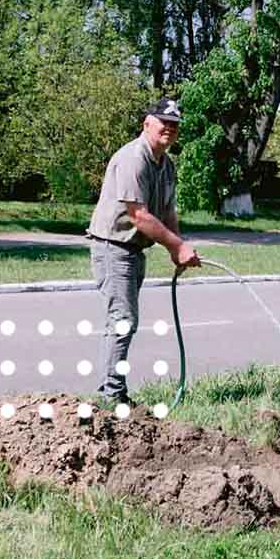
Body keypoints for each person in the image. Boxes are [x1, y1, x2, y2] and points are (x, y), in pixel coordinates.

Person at [85, 98, 201, 407]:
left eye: (174, 124)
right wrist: (176, 245)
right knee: (122, 319)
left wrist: (179, 246)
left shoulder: (166, 164)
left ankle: (113, 392)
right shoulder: (132, 159)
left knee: (125, 320)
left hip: (135, 250)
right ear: (147, 123)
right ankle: (111, 397)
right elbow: (139, 215)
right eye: (164, 121)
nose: (169, 128)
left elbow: (167, 212)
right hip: (113, 247)